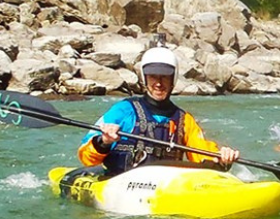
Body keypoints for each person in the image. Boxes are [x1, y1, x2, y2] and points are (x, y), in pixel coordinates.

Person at [76, 47, 239, 177]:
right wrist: (104, 141)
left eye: (164, 77)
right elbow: (85, 157)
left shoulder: (184, 120)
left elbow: (202, 153)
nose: (159, 83)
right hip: (121, 180)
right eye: (153, 76)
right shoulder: (124, 110)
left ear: (173, 79)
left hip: (163, 187)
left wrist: (221, 158)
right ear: (145, 79)